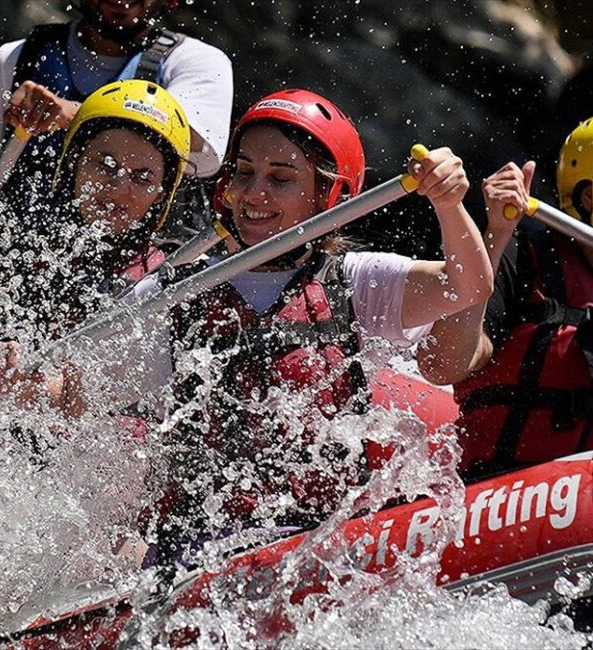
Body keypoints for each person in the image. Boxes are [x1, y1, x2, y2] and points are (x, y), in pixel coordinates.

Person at [150, 89, 495, 568]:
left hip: (315, 547)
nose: (254, 194)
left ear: (329, 197)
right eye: (245, 173)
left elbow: (468, 284)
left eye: (281, 179)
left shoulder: (356, 282)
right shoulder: (172, 292)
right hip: (198, 549)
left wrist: (449, 203)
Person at [0, 79, 187, 421]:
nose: (118, 188)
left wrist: (24, 388)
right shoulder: (13, 255)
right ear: (73, 164)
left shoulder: (163, 282)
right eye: (106, 164)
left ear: (160, 196)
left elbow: (102, 402)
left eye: (142, 178)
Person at [0, 0, 233, 254]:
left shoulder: (197, 63)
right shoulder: (13, 60)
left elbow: (191, 140)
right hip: (22, 263)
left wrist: (73, 115)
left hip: (134, 275)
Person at [417, 117, 593, 480]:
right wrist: (497, 231)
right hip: (507, 491)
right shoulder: (528, 257)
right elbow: (442, 365)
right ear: (588, 197)